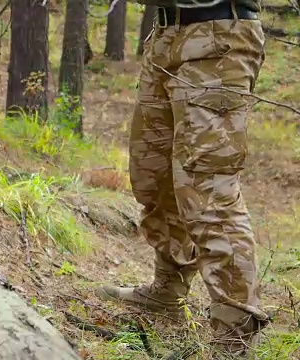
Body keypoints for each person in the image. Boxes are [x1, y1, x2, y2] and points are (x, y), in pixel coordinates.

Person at [96, 1, 270, 358]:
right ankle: (167, 290)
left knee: (208, 188)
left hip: (219, 36)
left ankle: (233, 337)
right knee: (154, 176)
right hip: (165, 34)